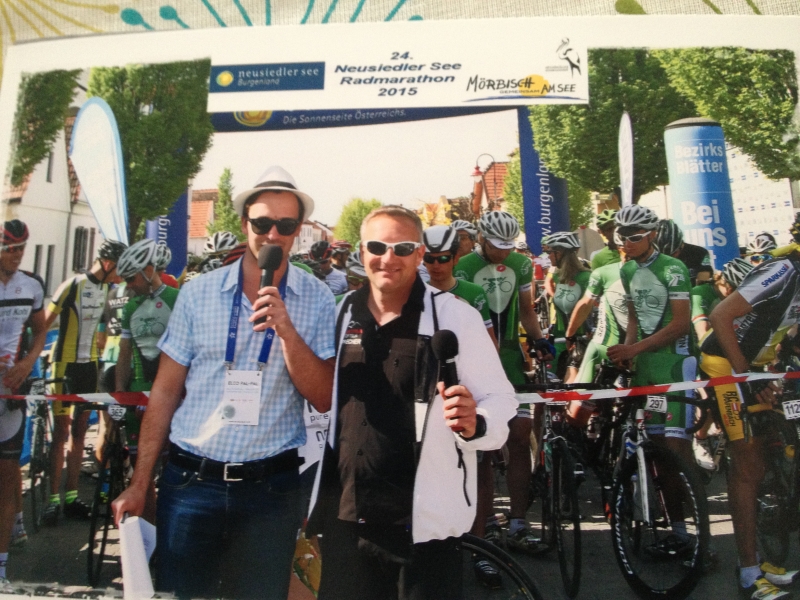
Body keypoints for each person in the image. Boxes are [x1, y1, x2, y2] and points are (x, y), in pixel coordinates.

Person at [111, 165, 335, 600]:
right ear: (244, 223)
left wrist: (287, 332)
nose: (273, 234)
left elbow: (324, 397)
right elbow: (165, 392)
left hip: (271, 490)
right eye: (262, 223)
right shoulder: (198, 294)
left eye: (286, 225)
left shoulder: (318, 298)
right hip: (192, 482)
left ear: (299, 230)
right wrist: (140, 483)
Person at [308, 206, 517, 600]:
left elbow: (500, 397)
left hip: (423, 525)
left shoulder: (455, 316)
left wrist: (477, 421)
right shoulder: (341, 313)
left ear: (419, 254)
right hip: (347, 519)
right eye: (377, 247)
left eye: (402, 248)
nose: (388, 258)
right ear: (362, 253)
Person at [701, 248, 800, 599]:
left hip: (756, 365)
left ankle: (762, 557)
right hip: (725, 365)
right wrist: (746, 375)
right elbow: (719, 315)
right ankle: (748, 571)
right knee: (747, 464)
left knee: (768, 456)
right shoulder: (783, 271)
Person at [453, 210, 553, 554]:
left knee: (520, 435)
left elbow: (526, 309)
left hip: (510, 357)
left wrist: (538, 338)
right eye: (497, 245)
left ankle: (519, 521)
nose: (504, 252)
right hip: (475, 360)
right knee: (481, 446)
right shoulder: (462, 266)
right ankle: (485, 523)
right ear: (481, 238)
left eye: (509, 246)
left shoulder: (521, 265)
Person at [607, 206, 697, 547]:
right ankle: (678, 529)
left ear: (653, 235)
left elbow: (680, 324)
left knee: (677, 448)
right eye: (622, 237)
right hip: (646, 369)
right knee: (659, 451)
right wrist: (628, 353)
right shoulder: (627, 269)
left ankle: (697, 530)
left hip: (675, 366)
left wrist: (635, 348)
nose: (626, 243)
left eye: (634, 237)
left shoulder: (673, 268)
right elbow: (633, 319)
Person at [43, 238, 127, 526]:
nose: (121, 273)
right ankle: (53, 500)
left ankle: (71, 497)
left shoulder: (108, 290)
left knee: (80, 432)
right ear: (107, 263)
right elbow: (44, 323)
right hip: (64, 365)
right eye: (119, 267)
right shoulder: (72, 285)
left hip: (90, 366)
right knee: (61, 433)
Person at [0, 221, 47, 588]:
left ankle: (1, 569)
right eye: (10, 249)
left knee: (7, 474)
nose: (17, 256)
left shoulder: (31, 285)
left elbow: (41, 329)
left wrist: (29, 363)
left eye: (21, 249)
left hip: (11, 391)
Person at [689, 257, 753, 471]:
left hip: (725, 348)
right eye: (735, 289)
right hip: (698, 350)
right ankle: (699, 438)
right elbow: (702, 334)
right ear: (724, 283)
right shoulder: (701, 293)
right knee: (708, 399)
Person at [565, 234, 628, 421]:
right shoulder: (603, 272)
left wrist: (570, 335)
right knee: (576, 416)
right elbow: (585, 305)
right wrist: (570, 334)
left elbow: (585, 305)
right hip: (604, 348)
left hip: (629, 349)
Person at [542, 231, 591, 383]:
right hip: (559, 339)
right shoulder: (558, 276)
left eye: (550, 252)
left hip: (581, 340)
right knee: (549, 384)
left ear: (560, 253)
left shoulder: (586, 277)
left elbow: (592, 308)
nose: (548, 256)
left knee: (573, 385)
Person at [654, 219, 712, 286]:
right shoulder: (651, 256)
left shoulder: (699, 253)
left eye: (673, 254)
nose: (669, 258)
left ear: (681, 245)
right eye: (663, 256)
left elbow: (702, 284)